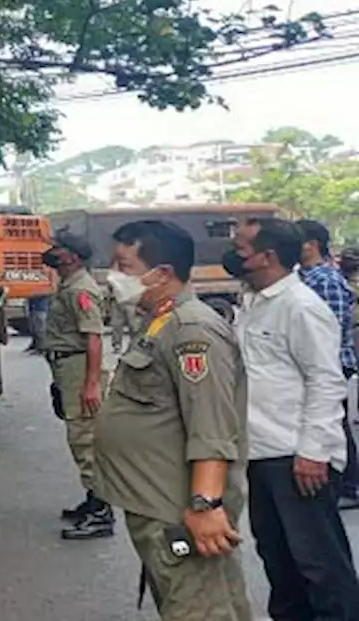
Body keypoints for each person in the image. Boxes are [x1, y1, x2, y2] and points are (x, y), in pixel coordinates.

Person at [96, 220, 252, 621]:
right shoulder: (161, 320)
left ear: (162, 273)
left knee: (198, 608)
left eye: (123, 265)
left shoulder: (192, 330)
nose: (113, 276)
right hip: (157, 503)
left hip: (179, 509)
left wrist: (205, 506)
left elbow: (211, 426)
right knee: (207, 601)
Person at [226, 218, 359, 620]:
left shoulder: (301, 306)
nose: (234, 254)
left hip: (298, 457)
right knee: (278, 561)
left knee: (319, 566)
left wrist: (314, 452)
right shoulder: (252, 303)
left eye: (242, 247)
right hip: (261, 452)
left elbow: (326, 380)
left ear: (267, 256)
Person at [42, 230, 113, 539]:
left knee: (85, 438)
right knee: (80, 435)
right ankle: (92, 499)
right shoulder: (67, 285)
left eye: (57, 248)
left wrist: (91, 383)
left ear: (71, 256)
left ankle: (101, 512)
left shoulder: (80, 289)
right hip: (66, 366)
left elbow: (93, 336)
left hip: (78, 366)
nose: (51, 251)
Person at [297, 220, 359, 508]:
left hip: (333, 363)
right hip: (318, 365)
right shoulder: (304, 278)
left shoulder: (327, 281)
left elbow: (331, 331)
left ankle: (350, 484)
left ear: (311, 245)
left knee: (336, 422)